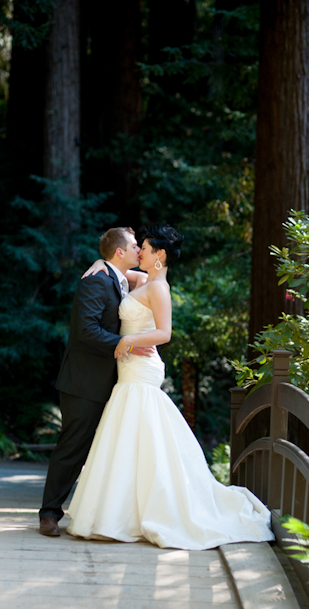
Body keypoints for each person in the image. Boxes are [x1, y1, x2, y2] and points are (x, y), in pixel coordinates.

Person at [66, 224, 274, 550]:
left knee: (140, 430)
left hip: (140, 366)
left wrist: (127, 342)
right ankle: (122, 511)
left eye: (145, 249)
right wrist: (99, 263)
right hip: (129, 366)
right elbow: (116, 272)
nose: (140, 253)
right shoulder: (144, 280)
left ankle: (144, 511)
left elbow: (165, 333)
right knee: (128, 436)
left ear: (159, 255)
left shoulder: (158, 288)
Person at [39, 227, 154, 537]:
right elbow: (85, 331)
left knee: (110, 449)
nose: (138, 251)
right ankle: (49, 514)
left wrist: (101, 261)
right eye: (134, 246)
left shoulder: (114, 276)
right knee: (73, 447)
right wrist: (127, 343)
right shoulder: (96, 282)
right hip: (84, 382)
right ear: (120, 252)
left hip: (116, 383)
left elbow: (147, 279)